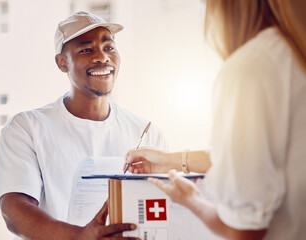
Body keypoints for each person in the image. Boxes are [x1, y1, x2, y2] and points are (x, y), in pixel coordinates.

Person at [124, 0, 306, 239]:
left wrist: (193, 201)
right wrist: (169, 161)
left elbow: (244, 231)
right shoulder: (292, 52)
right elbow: (260, 155)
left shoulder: (248, 69)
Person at [0, 11, 167, 240]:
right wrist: (81, 236)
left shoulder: (147, 131)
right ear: (62, 62)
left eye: (109, 47)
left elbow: (165, 205)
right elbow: (14, 210)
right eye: (86, 49)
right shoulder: (27, 127)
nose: (102, 57)